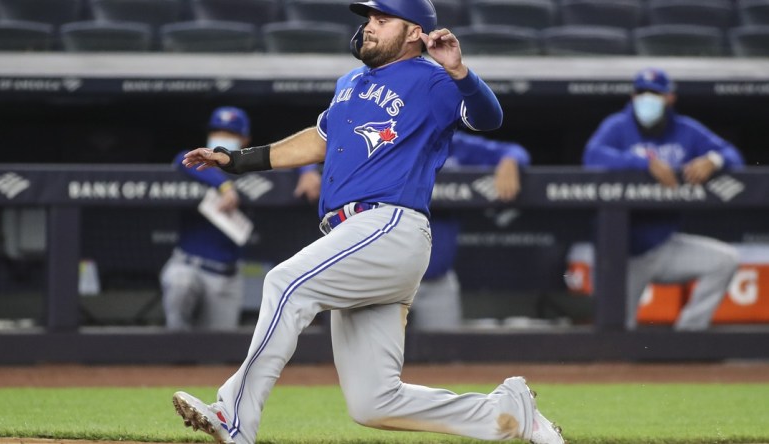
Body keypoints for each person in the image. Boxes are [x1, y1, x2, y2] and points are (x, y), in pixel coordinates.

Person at [173, 1, 564, 443]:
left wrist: (459, 71)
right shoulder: (351, 81)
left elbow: (490, 119)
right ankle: (509, 413)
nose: (370, 27)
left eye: (382, 20)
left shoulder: (433, 79)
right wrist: (236, 160)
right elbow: (318, 141)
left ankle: (234, 416)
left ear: (414, 31)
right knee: (373, 402)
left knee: (285, 283)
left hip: (388, 224)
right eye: (369, 20)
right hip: (356, 238)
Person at [583, 67, 744, 331]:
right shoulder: (618, 126)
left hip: (663, 244)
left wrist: (714, 160)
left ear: (670, 98)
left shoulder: (685, 130)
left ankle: (689, 335)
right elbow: (592, 156)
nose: (647, 98)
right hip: (622, 253)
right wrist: (644, 162)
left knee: (725, 260)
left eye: (655, 93)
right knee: (616, 337)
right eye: (642, 92)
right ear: (633, 96)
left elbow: (733, 155)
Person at [413, 131, 530, 330]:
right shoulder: (388, 141)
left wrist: (511, 161)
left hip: (436, 283)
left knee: (445, 356)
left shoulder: (452, 143)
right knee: (373, 356)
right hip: (384, 279)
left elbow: (515, 151)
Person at [160, 106, 250, 331]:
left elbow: (292, 158)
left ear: (245, 139)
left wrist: (307, 172)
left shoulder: (252, 170)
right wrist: (224, 186)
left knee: (217, 356)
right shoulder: (199, 166)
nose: (222, 137)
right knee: (180, 283)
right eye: (217, 131)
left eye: (230, 134)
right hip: (188, 266)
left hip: (226, 278)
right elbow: (181, 158)